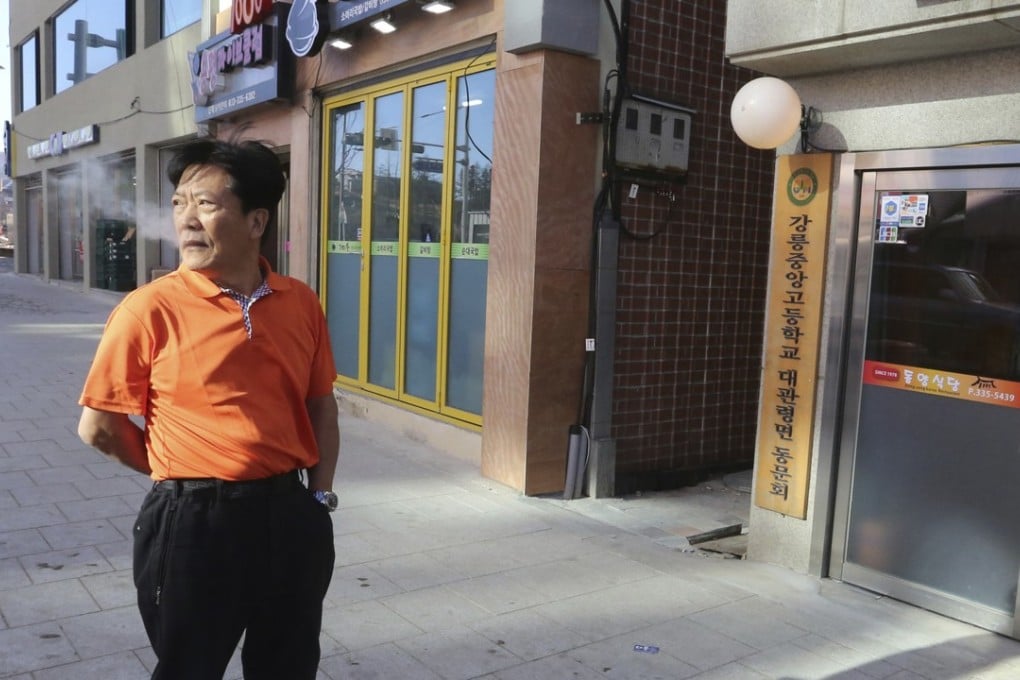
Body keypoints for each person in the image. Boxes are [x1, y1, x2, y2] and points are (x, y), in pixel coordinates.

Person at [78, 138, 339, 680]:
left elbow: (321, 404)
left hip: (291, 515)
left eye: (206, 204)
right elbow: (99, 427)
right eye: (179, 203)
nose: (186, 219)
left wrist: (318, 495)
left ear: (256, 221)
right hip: (196, 527)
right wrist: (178, 476)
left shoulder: (300, 301)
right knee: (189, 668)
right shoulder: (149, 308)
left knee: (289, 665)